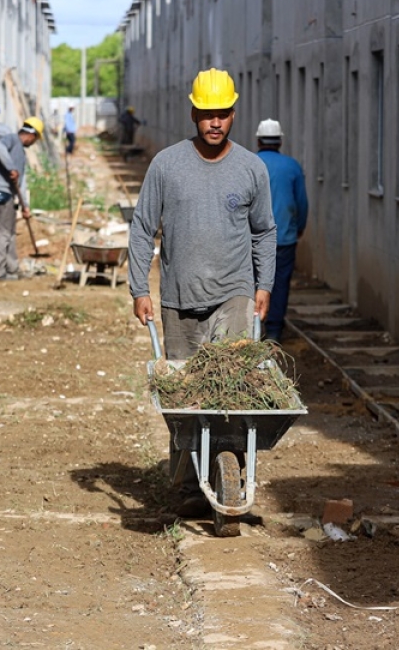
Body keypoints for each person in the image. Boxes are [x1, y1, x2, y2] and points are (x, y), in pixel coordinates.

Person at [128, 68, 276, 517]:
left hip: (234, 293)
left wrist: (264, 284)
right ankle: (192, 482)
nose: (215, 122)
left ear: (234, 114)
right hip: (178, 297)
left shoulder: (251, 168)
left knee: (233, 391)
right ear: (194, 113)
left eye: (223, 113)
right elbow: (142, 227)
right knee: (186, 395)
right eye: (208, 113)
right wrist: (139, 287)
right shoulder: (167, 165)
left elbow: (264, 231)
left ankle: (231, 471)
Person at [255, 119, 309, 344]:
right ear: (280, 141)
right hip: (284, 237)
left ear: (258, 140)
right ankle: (274, 332)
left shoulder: (250, 164)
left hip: (253, 240)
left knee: (252, 282)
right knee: (279, 283)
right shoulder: (292, 166)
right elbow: (301, 202)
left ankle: (252, 328)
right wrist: (300, 227)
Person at [0, 117, 43, 280]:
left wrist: (25, 205)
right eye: (35, 139)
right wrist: (10, 167)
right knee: (0, 233)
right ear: (32, 135)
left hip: (8, 194)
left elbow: (21, 181)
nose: (33, 143)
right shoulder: (12, 139)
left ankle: (11, 268)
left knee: (9, 232)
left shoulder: (21, 154)